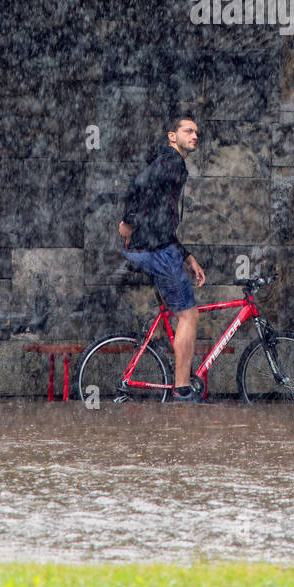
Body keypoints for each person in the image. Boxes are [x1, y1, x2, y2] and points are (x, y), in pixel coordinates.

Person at [118, 114, 206, 402]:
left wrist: (186, 255)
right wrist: (128, 222)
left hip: (158, 246)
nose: (194, 135)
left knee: (181, 313)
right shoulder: (171, 161)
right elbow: (138, 184)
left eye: (196, 132)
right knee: (188, 315)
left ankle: (178, 381)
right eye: (188, 131)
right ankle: (182, 389)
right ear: (172, 136)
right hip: (155, 249)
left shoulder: (172, 164)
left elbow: (163, 224)